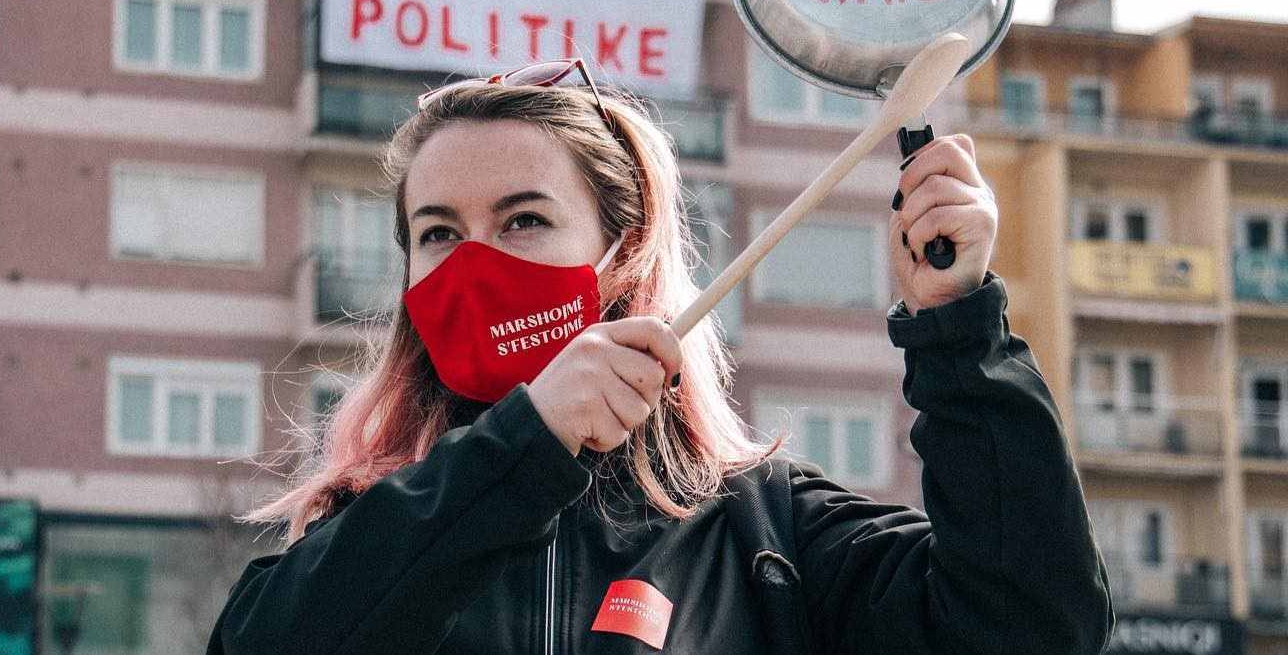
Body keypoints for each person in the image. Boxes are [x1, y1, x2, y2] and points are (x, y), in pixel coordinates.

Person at [206, 59, 1113, 654]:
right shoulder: (365, 526)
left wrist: (958, 330)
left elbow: (1034, 625)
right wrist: (524, 448)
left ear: (625, 251)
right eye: (439, 233)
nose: (477, 261)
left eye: (525, 219)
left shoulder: (769, 537)